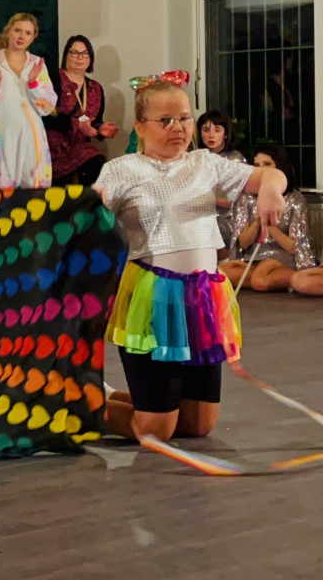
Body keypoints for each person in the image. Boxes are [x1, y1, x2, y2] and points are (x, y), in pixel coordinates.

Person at [96, 81, 286, 442]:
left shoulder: (205, 164)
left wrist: (271, 190)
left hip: (203, 298)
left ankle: (131, 401)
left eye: (184, 118)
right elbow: (86, 217)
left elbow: (270, 175)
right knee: (154, 431)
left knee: (198, 426)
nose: (178, 128)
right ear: (140, 126)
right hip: (154, 298)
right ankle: (76, 405)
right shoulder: (121, 170)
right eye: (165, 120)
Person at [220, 143, 315, 292]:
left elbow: (293, 247)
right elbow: (243, 243)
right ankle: (279, 279)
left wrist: (270, 223)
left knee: (260, 279)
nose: (262, 169)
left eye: (267, 164)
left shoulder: (294, 198)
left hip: (280, 257)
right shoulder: (247, 198)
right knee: (221, 273)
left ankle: (297, 278)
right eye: (257, 166)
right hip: (254, 257)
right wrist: (258, 221)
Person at [0, 13, 58, 188]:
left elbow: (47, 108)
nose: (22, 36)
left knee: (35, 189)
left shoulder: (37, 64)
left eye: (28, 33)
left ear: (33, 37)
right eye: (17, 30)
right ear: (8, 32)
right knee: (2, 190)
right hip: (2, 132)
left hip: (32, 134)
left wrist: (32, 84)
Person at [45, 35, 119, 186]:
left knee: (98, 164)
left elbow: (95, 121)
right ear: (66, 55)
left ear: (90, 58)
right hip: (51, 146)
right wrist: (76, 124)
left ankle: (90, 207)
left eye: (85, 53)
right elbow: (45, 114)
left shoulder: (95, 88)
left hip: (79, 147)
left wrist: (100, 128)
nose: (80, 57)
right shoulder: (52, 79)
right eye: (75, 53)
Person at [195, 110, 246, 257]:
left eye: (217, 130)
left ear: (225, 134)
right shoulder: (196, 158)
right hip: (201, 216)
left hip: (227, 220)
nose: (211, 135)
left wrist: (209, 199)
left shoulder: (235, 161)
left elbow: (239, 202)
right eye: (206, 130)